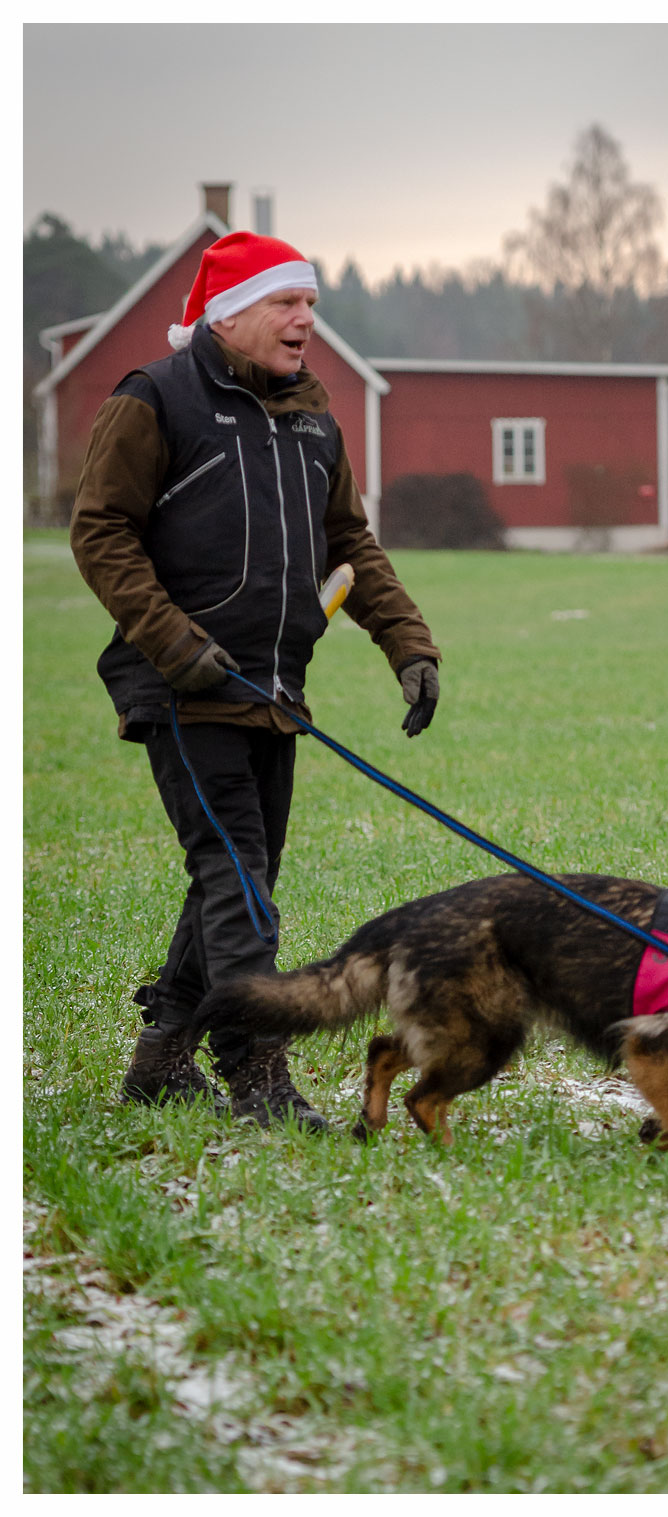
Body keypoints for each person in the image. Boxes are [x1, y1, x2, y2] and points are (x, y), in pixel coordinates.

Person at [70, 230, 441, 1132]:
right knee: (239, 878)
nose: (305, 319)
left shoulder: (313, 419)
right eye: (287, 302)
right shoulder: (154, 399)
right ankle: (257, 1070)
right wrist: (174, 643)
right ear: (228, 314)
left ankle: (162, 1058)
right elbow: (101, 531)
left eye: (310, 303)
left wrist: (408, 644)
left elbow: (349, 544)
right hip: (182, 689)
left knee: (236, 877)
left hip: (276, 694)